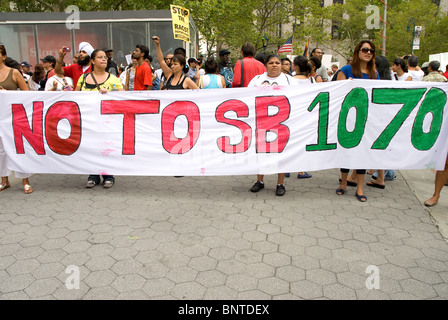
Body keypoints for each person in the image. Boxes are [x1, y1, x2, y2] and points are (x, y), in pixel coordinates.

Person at [248, 54, 298, 196]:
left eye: (277, 62)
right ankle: (260, 181)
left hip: (282, 123)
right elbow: (246, 96)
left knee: (281, 154)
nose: (274, 65)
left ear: (281, 65)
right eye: (271, 62)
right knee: (261, 153)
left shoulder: (289, 81)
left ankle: (280, 183)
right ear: (266, 65)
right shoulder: (257, 80)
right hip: (261, 122)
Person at [336, 40, 379, 202]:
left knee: (363, 153)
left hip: (366, 119)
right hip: (347, 118)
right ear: (358, 51)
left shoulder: (375, 73)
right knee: (346, 151)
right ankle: (343, 183)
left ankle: (360, 188)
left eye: (372, 51)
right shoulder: (346, 70)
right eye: (365, 49)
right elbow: (337, 94)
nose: (368, 53)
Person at [75, 49, 124, 188]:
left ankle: (108, 175)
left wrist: (109, 93)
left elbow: (121, 97)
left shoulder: (113, 79)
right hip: (88, 121)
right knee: (91, 147)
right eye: (100, 57)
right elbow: (75, 97)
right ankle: (93, 174)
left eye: (105, 58)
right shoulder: (83, 78)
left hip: (106, 121)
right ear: (92, 61)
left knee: (106, 147)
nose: (104, 59)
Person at [0, 44, 34, 194]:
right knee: (1, 150)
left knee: (18, 147)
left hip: (13, 116)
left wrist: (7, 93)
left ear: (3, 56)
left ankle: (25, 180)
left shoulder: (13, 73)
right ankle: (4, 180)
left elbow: (26, 93)